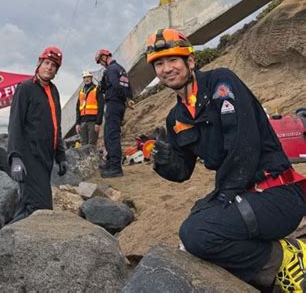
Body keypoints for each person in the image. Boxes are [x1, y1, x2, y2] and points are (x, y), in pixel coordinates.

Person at [147, 28, 306, 292]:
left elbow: (244, 145)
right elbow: (182, 171)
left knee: (198, 233)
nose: (167, 69)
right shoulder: (176, 118)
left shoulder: (222, 83)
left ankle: (287, 256)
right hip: (243, 195)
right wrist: (163, 162)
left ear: (190, 61)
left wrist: (221, 198)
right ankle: (270, 278)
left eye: (173, 60)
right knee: (196, 233)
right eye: (159, 64)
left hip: (277, 192)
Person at [8, 46, 68, 223]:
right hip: (28, 158)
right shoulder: (25, 89)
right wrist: (15, 158)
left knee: (28, 206)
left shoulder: (54, 91)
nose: (49, 67)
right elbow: (15, 125)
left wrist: (61, 155)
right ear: (39, 63)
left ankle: (3, 241)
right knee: (39, 208)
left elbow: (56, 126)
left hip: (45, 159)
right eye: (47, 63)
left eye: (54, 66)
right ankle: (5, 246)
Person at [94, 49, 134, 178]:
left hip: (114, 103)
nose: (101, 64)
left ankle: (116, 167)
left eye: (100, 61)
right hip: (119, 104)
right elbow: (128, 87)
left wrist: (103, 87)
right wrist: (128, 98)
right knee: (109, 134)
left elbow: (116, 86)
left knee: (112, 136)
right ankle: (110, 163)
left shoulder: (110, 70)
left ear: (105, 57)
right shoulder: (121, 69)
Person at [75, 70, 104, 146]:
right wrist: (77, 123)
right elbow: (78, 109)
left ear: (91, 78)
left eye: (88, 77)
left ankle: (93, 158)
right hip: (82, 122)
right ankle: (86, 158)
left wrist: (98, 123)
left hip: (93, 122)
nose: (86, 79)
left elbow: (101, 107)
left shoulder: (97, 89)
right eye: (85, 77)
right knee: (83, 145)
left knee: (92, 144)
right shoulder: (81, 92)